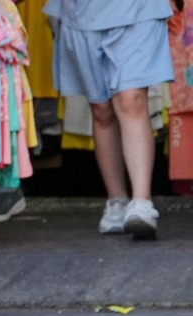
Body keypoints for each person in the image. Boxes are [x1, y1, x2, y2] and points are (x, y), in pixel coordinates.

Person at [44, 0, 173, 240]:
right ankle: (117, 201)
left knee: (131, 99)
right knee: (101, 107)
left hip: (138, 9)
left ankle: (142, 202)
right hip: (80, 13)